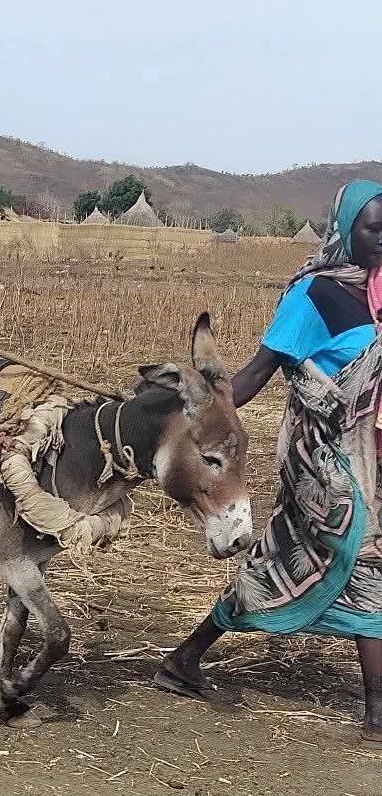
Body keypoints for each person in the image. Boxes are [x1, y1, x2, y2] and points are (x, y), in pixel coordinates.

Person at [158, 181, 382, 746]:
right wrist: (202, 411)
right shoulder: (314, 296)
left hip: (370, 455)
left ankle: (185, 658)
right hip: (324, 462)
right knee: (370, 560)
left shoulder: (379, 292)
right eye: (373, 229)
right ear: (345, 229)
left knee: (284, 560)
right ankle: (377, 711)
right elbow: (258, 372)